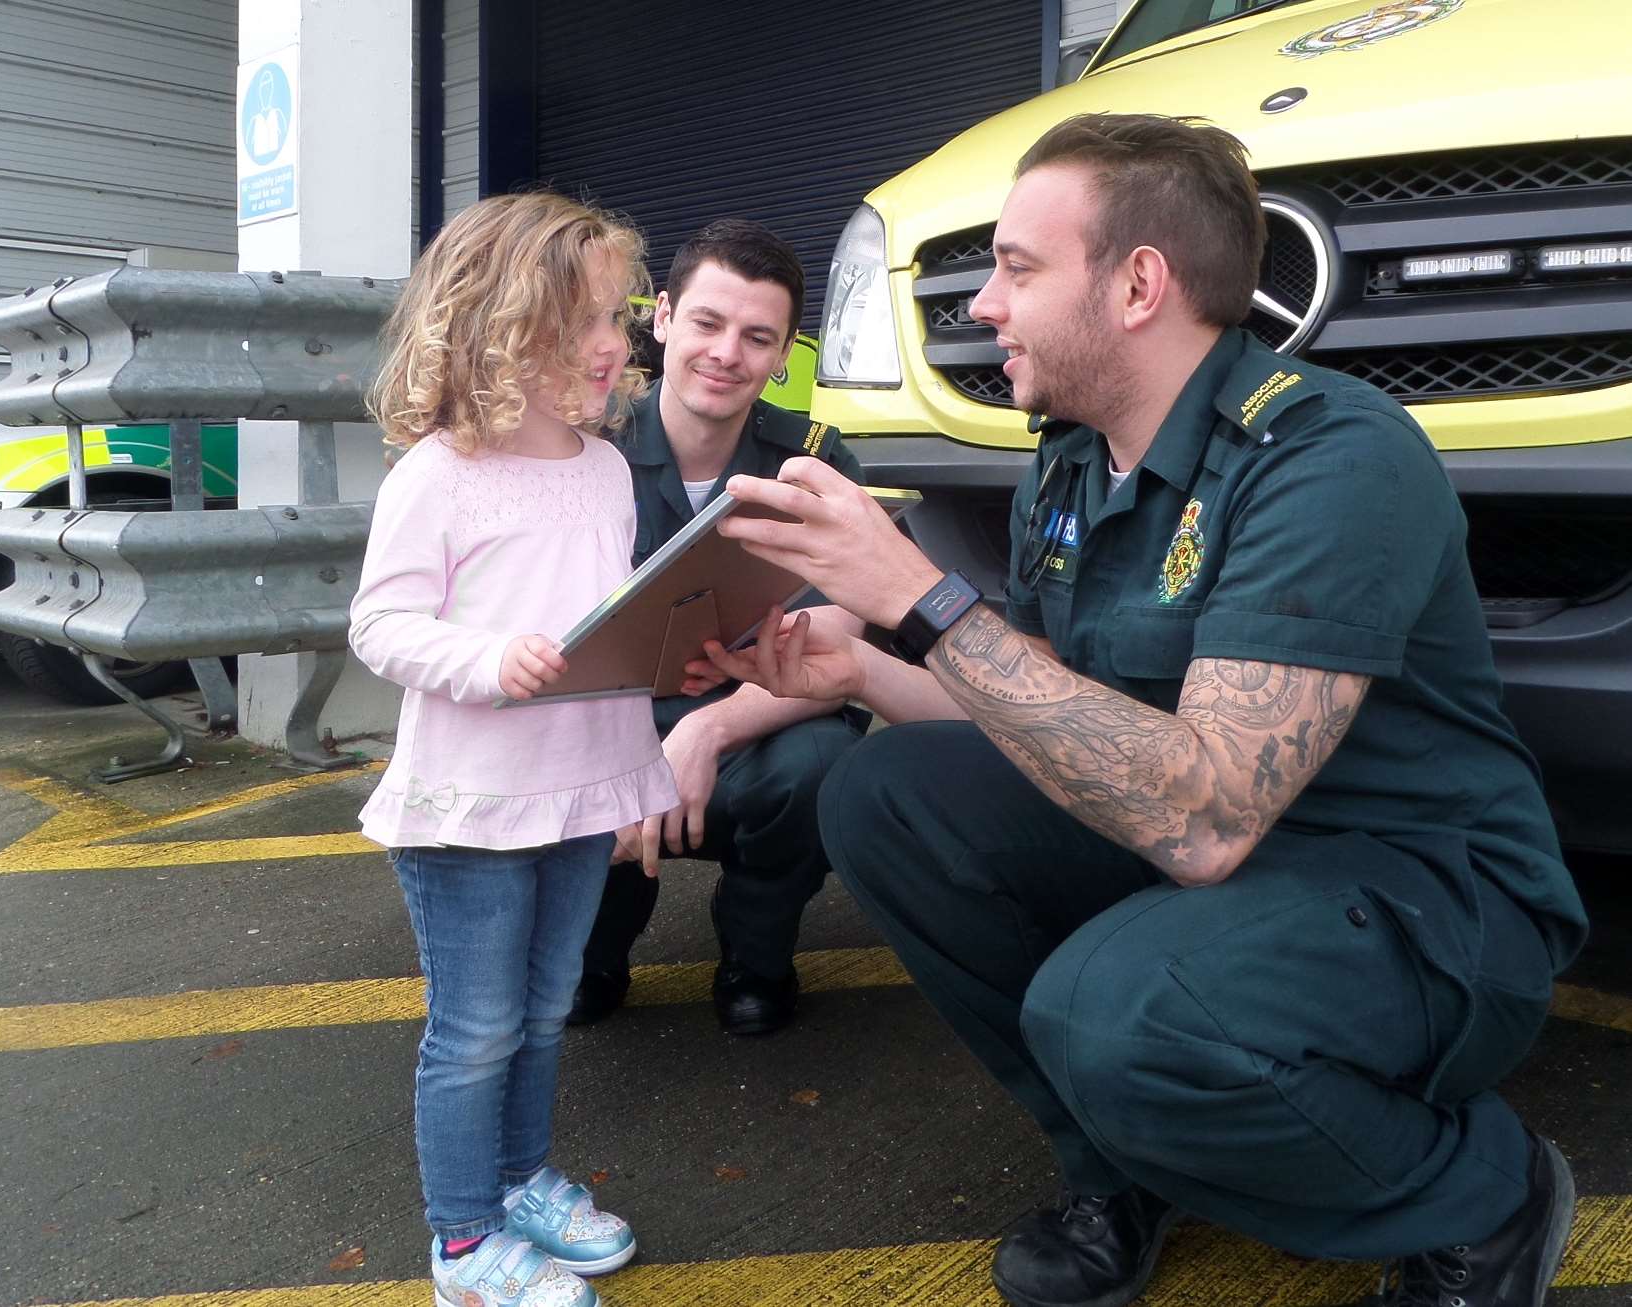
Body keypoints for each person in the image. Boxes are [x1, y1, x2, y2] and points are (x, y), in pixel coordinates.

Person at [701, 114, 1588, 1307]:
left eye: (1016, 270)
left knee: (1114, 1014)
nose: (984, 307)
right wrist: (859, 671)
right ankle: (1122, 1165)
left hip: (1425, 902)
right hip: (1234, 871)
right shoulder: (1071, 466)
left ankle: (1482, 1193)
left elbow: (1207, 815)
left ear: (1138, 284)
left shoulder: (1329, 458)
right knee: (884, 795)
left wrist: (919, 596)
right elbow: (1067, 727)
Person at [350, 191, 680, 1307]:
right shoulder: (436, 473)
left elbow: (609, 623)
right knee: (478, 1026)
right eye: (583, 321)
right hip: (472, 804)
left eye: (620, 318)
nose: (613, 345)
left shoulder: (598, 467)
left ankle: (519, 1178)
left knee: (543, 1011)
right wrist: (490, 661)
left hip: (579, 793)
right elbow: (381, 625)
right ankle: (462, 1243)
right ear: (495, 322)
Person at [568, 218, 870, 1037]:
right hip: (609, 710)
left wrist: (707, 730)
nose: (727, 352)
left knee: (825, 763)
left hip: (752, 724)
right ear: (662, 317)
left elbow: (841, 618)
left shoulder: (812, 461)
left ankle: (756, 956)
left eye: (757, 336)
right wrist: (634, 751)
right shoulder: (583, 444)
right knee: (563, 750)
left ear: (783, 356)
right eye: (707, 322)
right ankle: (593, 948)